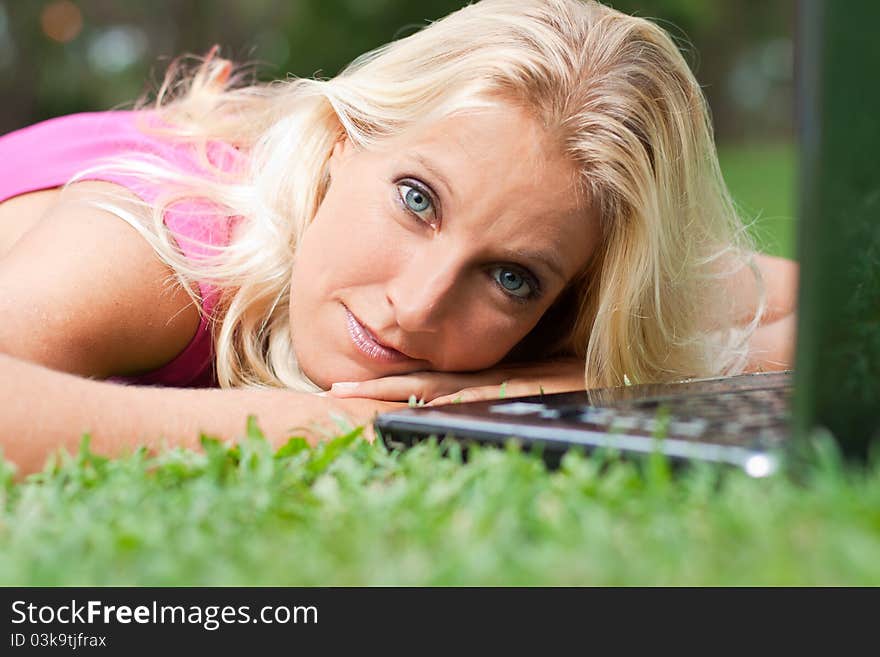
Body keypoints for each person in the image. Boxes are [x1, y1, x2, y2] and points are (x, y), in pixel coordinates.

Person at [0, 0, 798, 477]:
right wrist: (300, 426)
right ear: (343, 140)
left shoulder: (557, 232)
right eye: (417, 201)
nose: (417, 307)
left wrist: (576, 381)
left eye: (511, 279)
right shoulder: (167, 245)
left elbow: (840, 310)